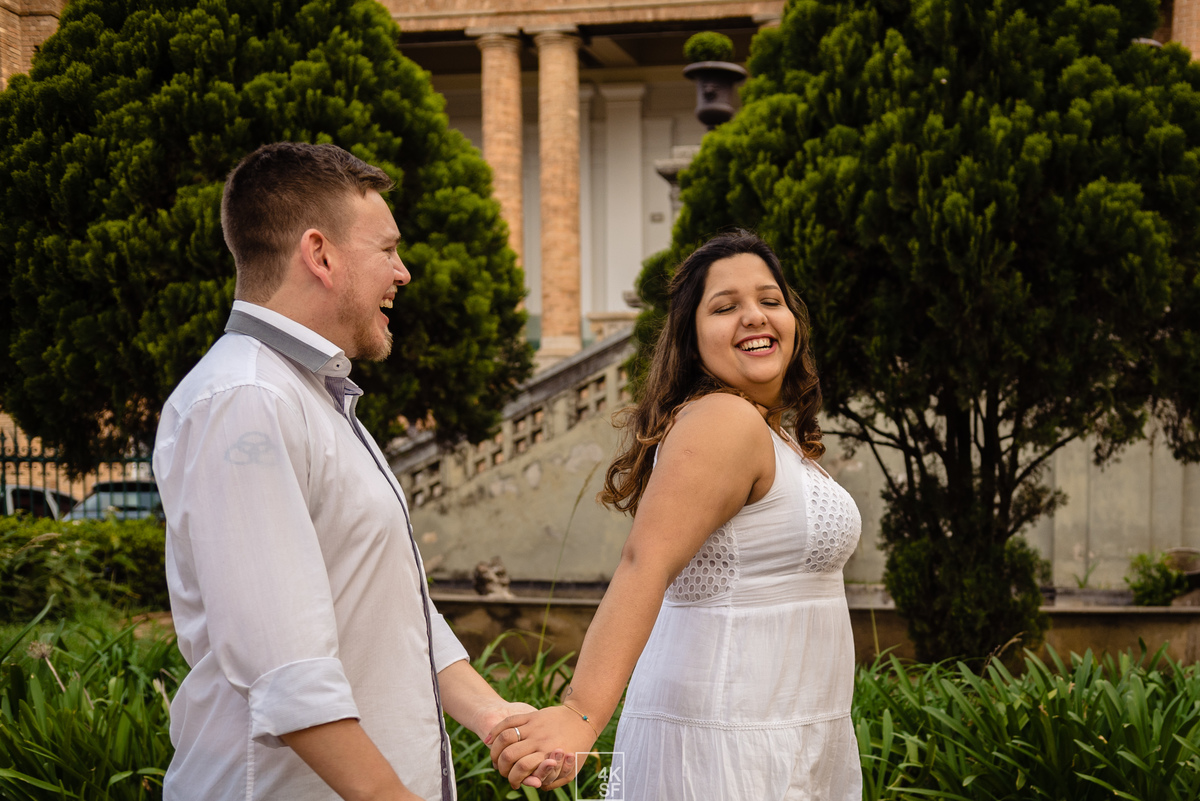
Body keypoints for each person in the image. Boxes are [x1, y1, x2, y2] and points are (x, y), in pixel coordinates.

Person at [154, 142, 563, 801]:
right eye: (388, 250)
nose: (403, 272)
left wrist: (494, 717)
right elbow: (290, 673)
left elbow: (389, 606)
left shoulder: (309, 394)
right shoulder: (246, 399)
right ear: (321, 255)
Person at [485, 231, 863, 798]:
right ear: (691, 338)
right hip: (728, 739)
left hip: (791, 732)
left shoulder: (768, 432)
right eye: (725, 306)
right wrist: (581, 714)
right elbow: (645, 565)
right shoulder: (723, 420)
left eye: (770, 299)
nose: (754, 317)